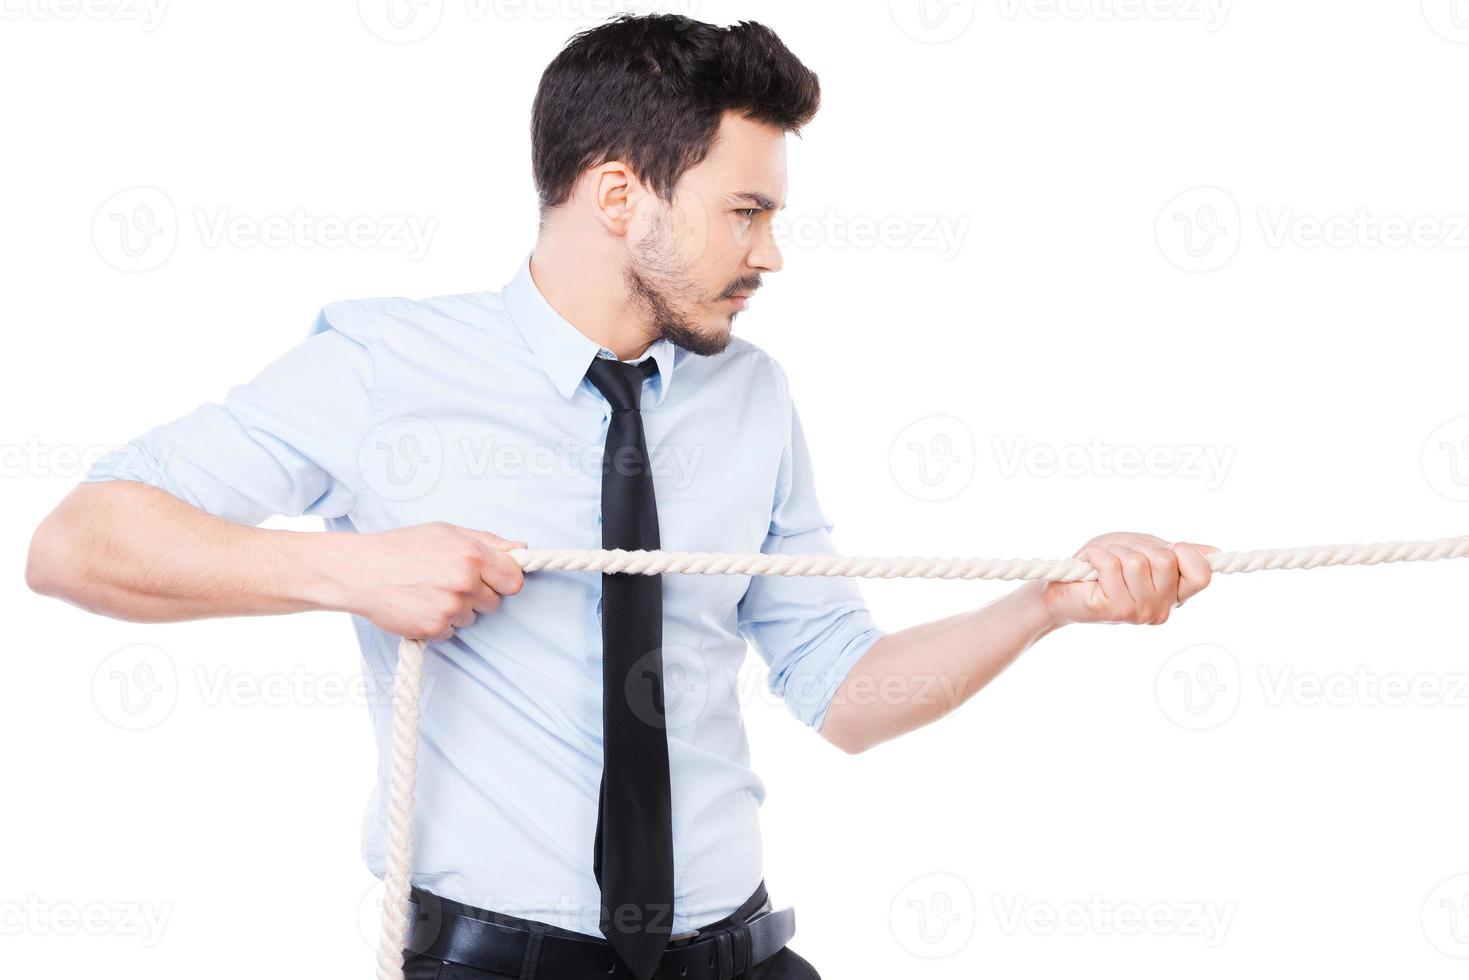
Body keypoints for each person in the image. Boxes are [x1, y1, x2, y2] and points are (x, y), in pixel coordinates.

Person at [26, 14, 1216, 979]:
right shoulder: (387, 364)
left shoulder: (752, 397)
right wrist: (347, 568)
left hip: (739, 956)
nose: (770, 253)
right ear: (617, 197)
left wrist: (1045, 603)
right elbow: (79, 542)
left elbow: (843, 693)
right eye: (745, 211)